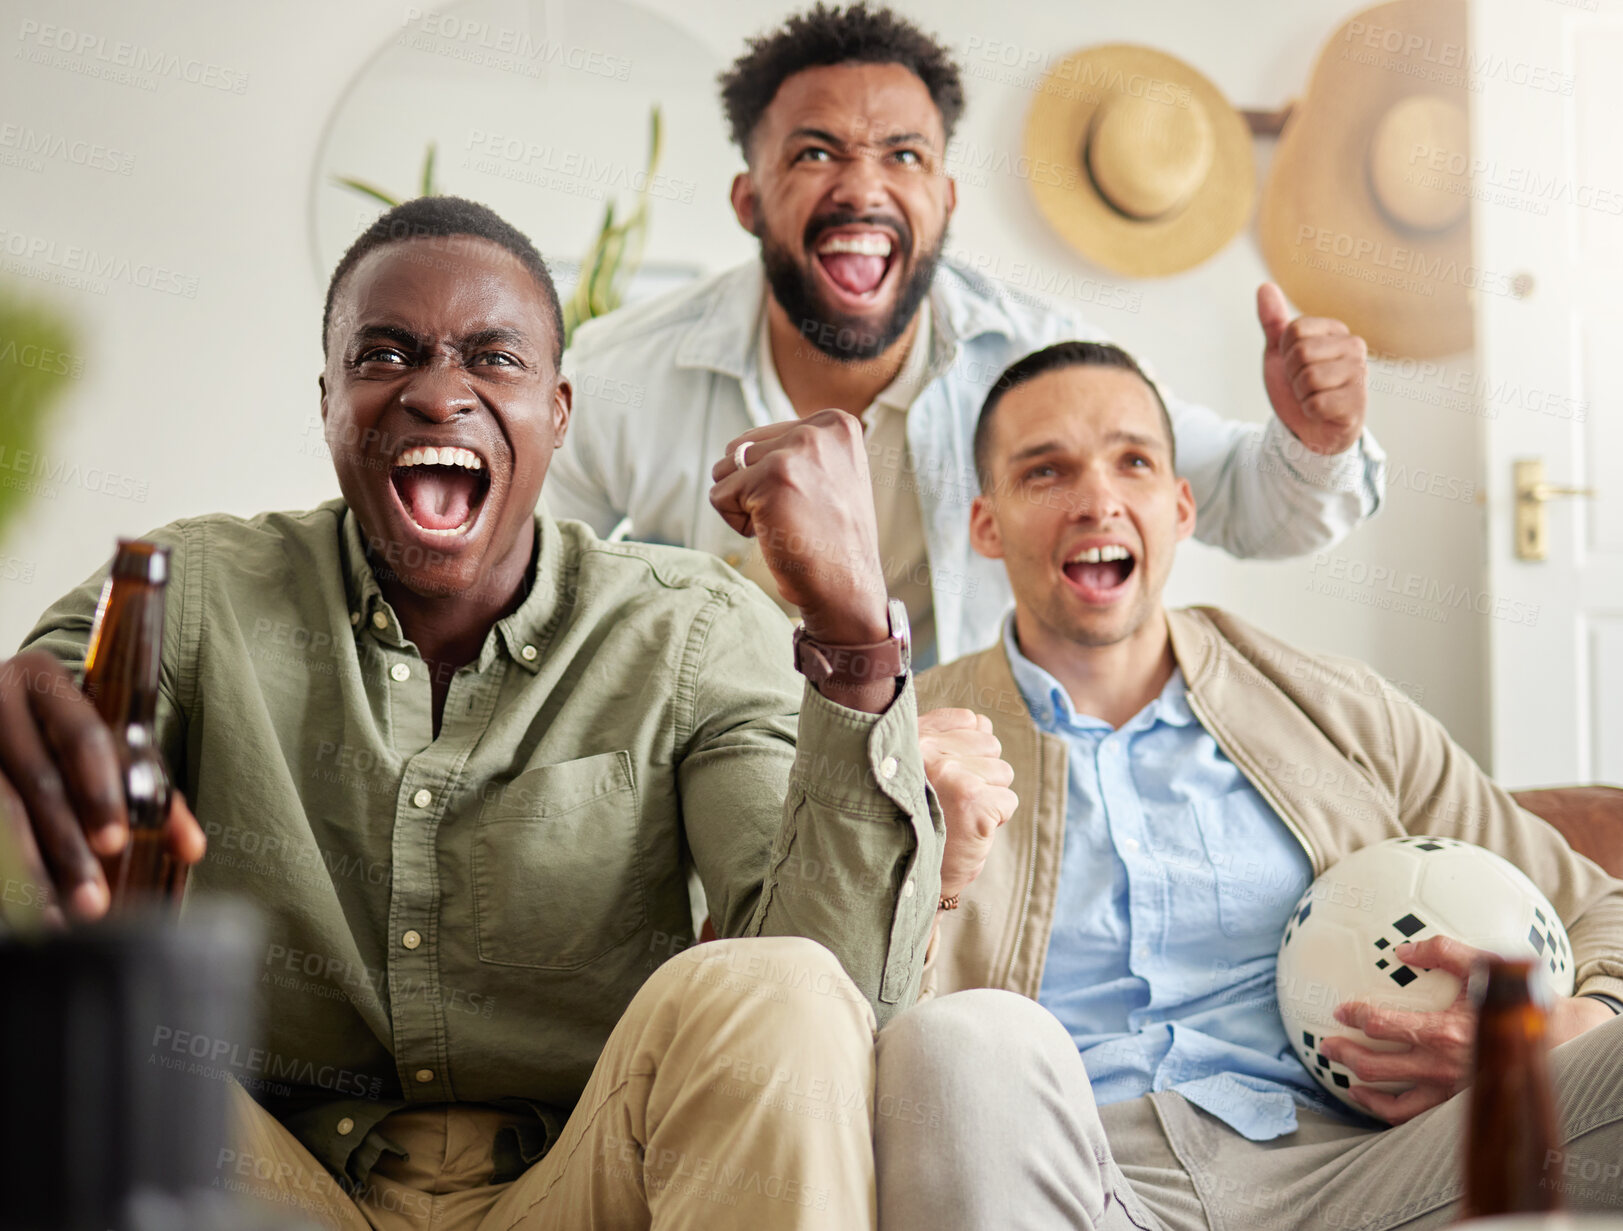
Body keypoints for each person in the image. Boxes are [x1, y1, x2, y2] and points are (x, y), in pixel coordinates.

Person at [0, 196, 1018, 1231]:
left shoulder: (690, 631)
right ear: (328, 400)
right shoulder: (195, 590)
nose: (439, 394)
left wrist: (853, 639)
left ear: (560, 411)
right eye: (387, 355)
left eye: (493, 358)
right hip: (259, 1185)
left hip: (583, 1183)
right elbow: (49, 712)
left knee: (783, 987)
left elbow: (836, 1005)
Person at [878, 340, 1623, 1230]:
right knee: (960, 1041)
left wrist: (1568, 1019)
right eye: (1045, 472)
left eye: (1134, 462)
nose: (1096, 499)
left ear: (1180, 505)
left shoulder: (1331, 704)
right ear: (986, 524)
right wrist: (941, 877)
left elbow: (1596, 903)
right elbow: (830, 997)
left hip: (1367, 1168)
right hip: (1073, 1179)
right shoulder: (909, 742)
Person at [548, 3, 1387, 667]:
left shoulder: (1043, 362)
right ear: (748, 201)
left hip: (967, 803)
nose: (863, 188)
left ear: (947, 198)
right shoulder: (622, 372)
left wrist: (1317, 437)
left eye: (904, 155)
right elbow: (521, 575)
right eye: (814, 153)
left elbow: (1250, 505)